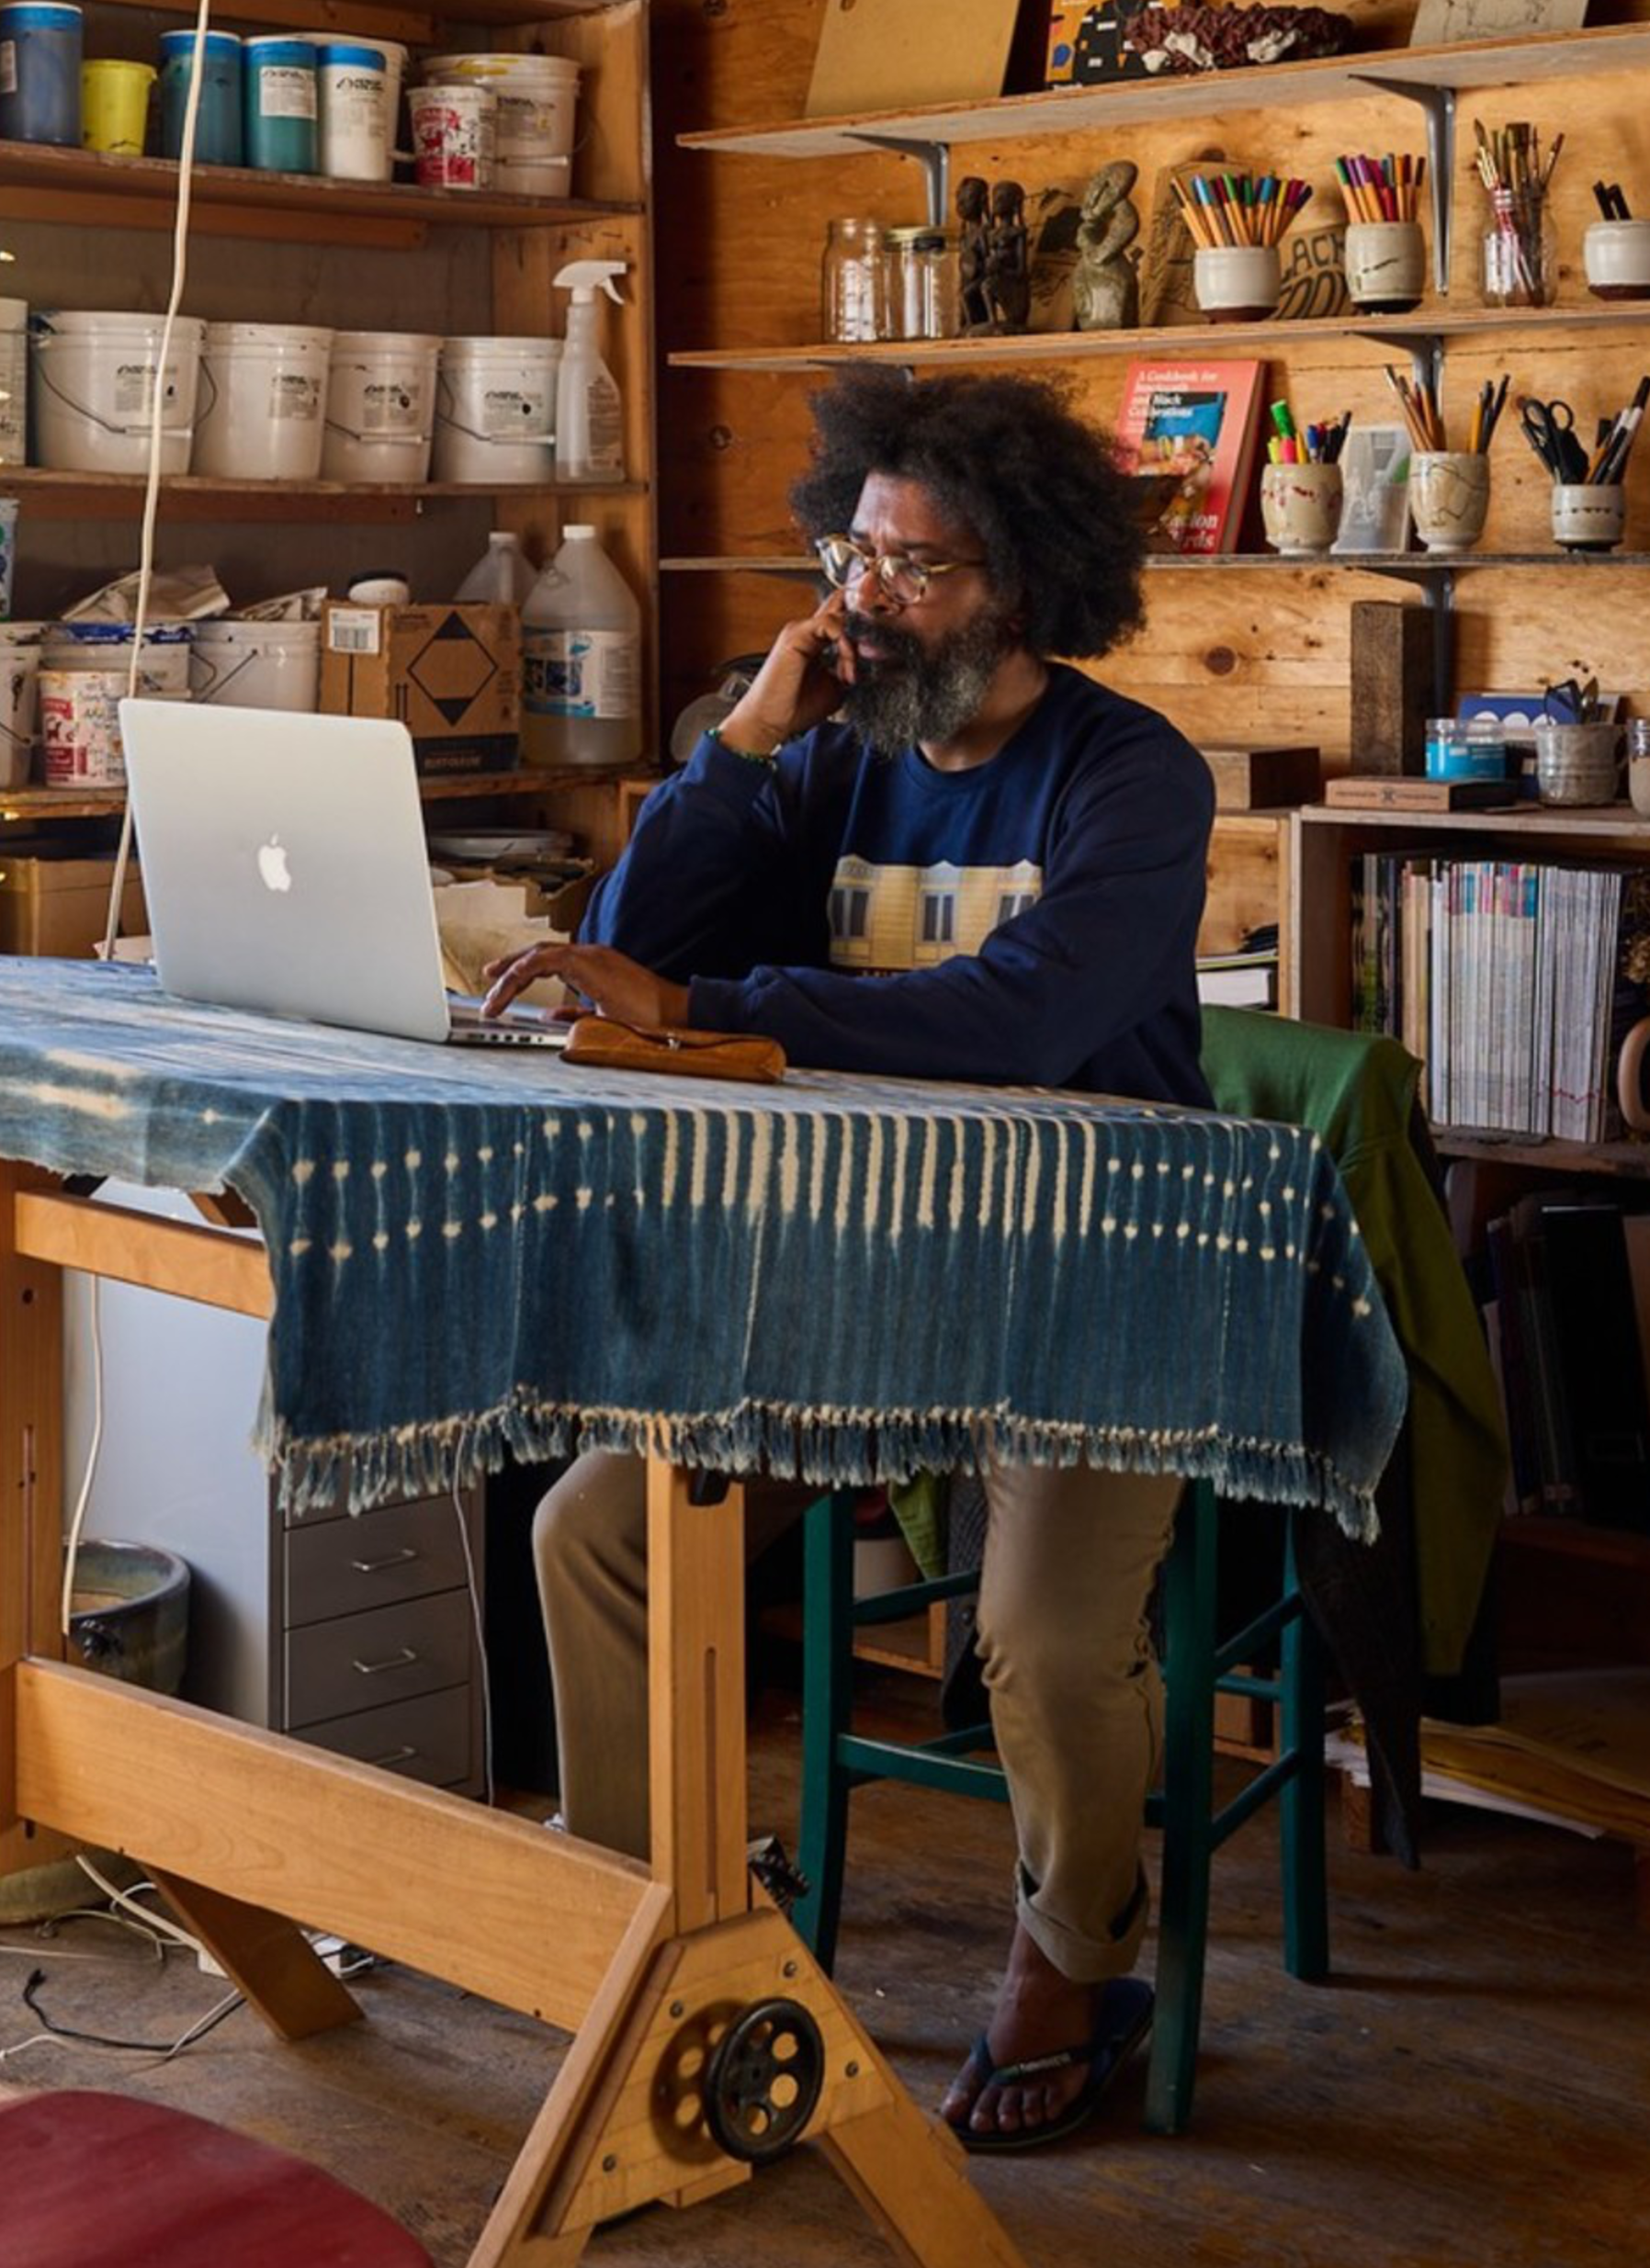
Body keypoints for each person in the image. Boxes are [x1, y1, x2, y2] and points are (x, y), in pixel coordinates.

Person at [486, 366, 1214, 2152]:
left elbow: (1031, 1017)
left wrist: (723, 1013)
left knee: (1037, 1642)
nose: (866, 600)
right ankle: (652, 1897)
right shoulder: (825, 757)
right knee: (594, 1526)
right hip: (861, 1275)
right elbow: (634, 949)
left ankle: (1075, 1955)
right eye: (853, 554)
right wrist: (738, 745)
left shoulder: (1130, 774)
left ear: (1023, 586)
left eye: (918, 569)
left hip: (1092, 1281)